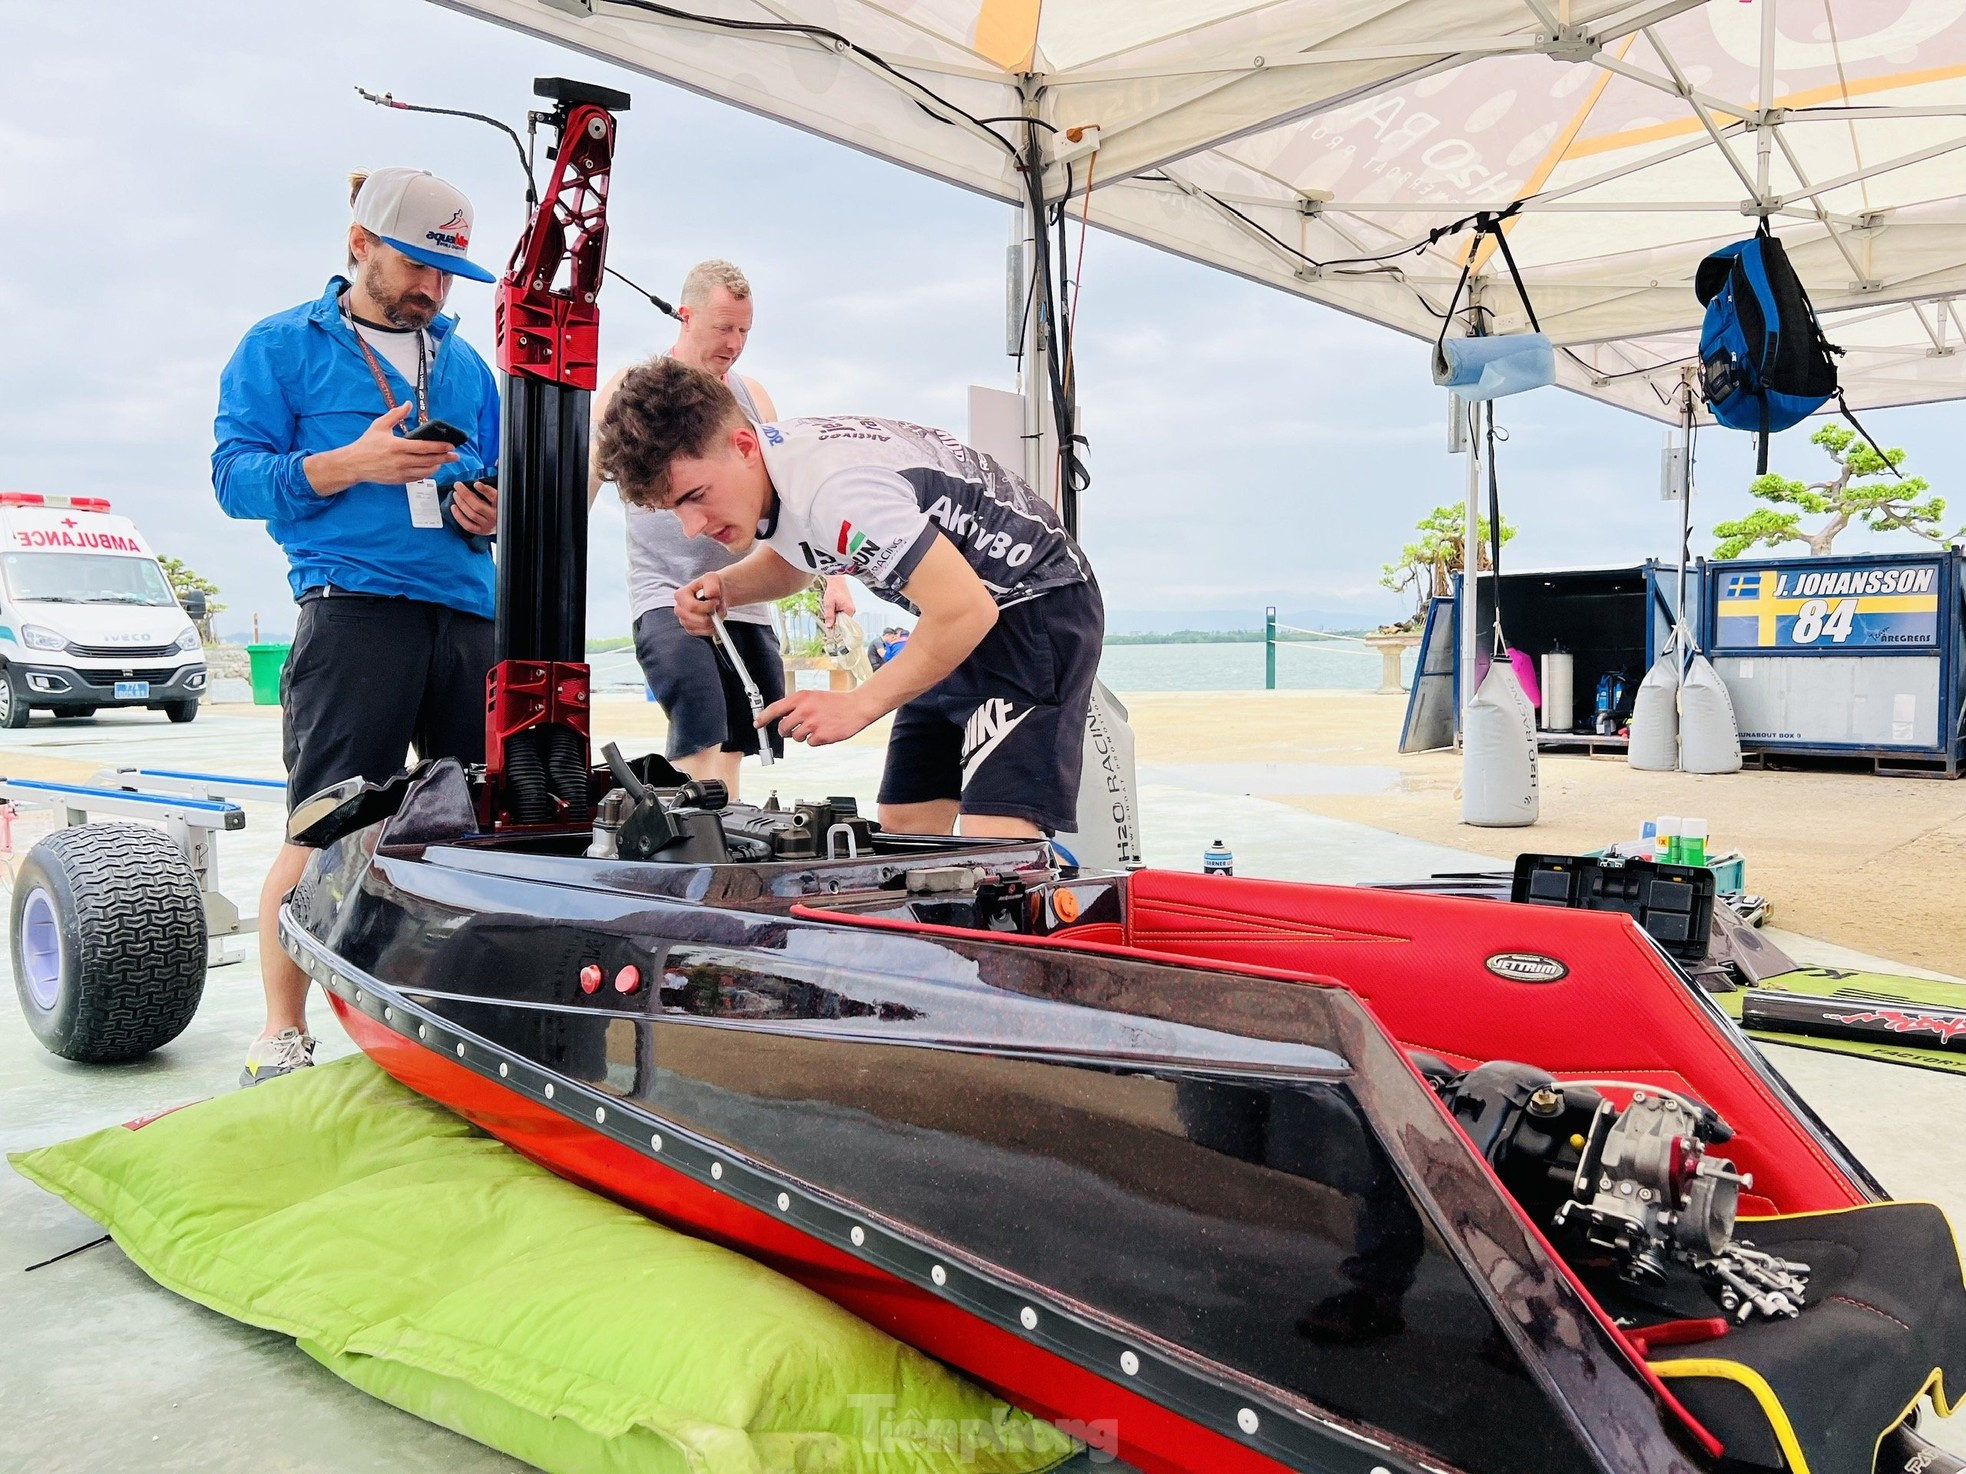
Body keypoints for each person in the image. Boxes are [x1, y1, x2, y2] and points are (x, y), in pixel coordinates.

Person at [213, 166, 502, 1086]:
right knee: (328, 822)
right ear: (360, 244)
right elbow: (233, 478)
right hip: (353, 609)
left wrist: (486, 509)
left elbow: (494, 484)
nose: (431, 287)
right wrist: (349, 463)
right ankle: (281, 1032)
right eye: (415, 264)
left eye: (446, 273)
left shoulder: (466, 366)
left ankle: (461, 1027)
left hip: (465, 612)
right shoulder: (280, 346)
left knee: (480, 828)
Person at [595, 360, 1103, 839]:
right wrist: (728, 587)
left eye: (695, 496)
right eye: (673, 511)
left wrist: (858, 704)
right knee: (906, 820)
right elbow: (804, 556)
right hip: (954, 612)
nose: (691, 529)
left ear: (743, 444)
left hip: (1036, 605)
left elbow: (967, 610)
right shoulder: (780, 466)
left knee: (995, 835)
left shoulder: (834, 488)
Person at [588, 260, 852, 797]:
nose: (734, 343)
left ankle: (726, 847)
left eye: (744, 331)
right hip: (666, 593)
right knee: (700, 730)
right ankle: (689, 849)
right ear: (686, 317)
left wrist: (834, 578)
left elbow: (793, 499)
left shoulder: (752, 396)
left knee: (738, 741)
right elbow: (582, 481)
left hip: (747, 598)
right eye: (722, 328)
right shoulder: (633, 386)